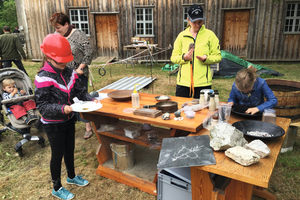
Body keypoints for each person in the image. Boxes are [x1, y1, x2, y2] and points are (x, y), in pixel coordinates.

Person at [34, 34, 100, 199]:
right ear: (49, 57)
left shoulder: (70, 71)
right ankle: (56, 187)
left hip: (69, 119)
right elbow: (42, 106)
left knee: (70, 149)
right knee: (57, 154)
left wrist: (92, 100)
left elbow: (80, 91)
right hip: (53, 123)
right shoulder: (43, 77)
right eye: (60, 61)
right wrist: (63, 108)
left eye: (66, 61)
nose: (64, 64)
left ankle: (71, 177)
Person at [49, 12, 94, 139]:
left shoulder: (78, 34)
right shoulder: (58, 36)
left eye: (58, 27)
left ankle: (88, 127)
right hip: (63, 74)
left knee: (82, 98)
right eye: (55, 28)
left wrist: (80, 68)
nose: (56, 30)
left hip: (78, 73)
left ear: (66, 24)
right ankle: (68, 124)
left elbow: (88, 52)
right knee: (66, 99)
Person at [170, 4, 221, 99]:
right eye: (194, 22)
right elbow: (173, 57)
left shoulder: (210, 35)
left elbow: (217, 56)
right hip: (184, 83)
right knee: (182, 110)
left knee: (203, 111)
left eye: (200, 22)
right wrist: (183, 58)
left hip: (203, 83)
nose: (197, 25)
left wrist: (206, 58)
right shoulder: (181, 36)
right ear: (188, 20)